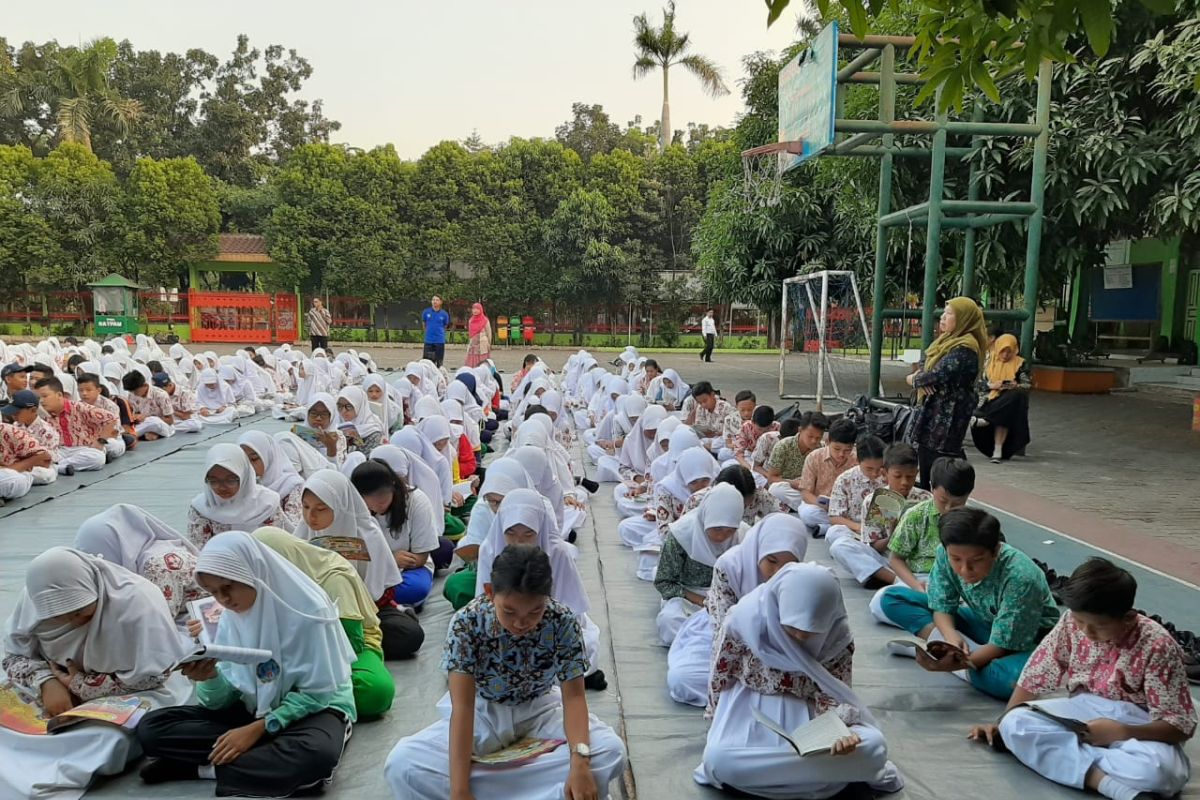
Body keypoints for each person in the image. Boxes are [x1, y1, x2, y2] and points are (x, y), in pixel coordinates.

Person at [384, 545, 628, 800]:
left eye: (535, 611)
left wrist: (579, 762)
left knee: (611, 751)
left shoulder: (562, 620)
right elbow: (464, 706)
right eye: (509, 611)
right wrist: (459, 790)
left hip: (540, 709)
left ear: (547, 597)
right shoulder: (467, 622)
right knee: (403, 764)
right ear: (490, 592)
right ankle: (540, 791)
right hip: (484, 712)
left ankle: (501, 788)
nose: (521, 623)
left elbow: (574, 698)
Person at [136, 532, 357, 796]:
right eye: (214, 592)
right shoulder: (232, 616)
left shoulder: (309, 612)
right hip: (254, 707)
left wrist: (259, 728)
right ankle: (257, 764)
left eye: (228, 587)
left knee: (315, 755)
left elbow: (318, 694)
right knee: (152, 728)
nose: (223, 600)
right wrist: (210, 677)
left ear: (253, 573)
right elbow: (224, 699)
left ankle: (203, 769)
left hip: (313, 710)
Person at [970, 558, 1194, 800]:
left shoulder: (1157, 644)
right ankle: (1106, 784)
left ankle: (1064, 755)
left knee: (1162, 773)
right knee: (1015, 723)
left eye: (1099, 625)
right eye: (1080, 621)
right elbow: (1035, 675)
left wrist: (1120, 731)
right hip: (1084, 707)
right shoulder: (1069, 622)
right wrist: (1002, 723)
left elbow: (1178, 727)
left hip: (1138, 719)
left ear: (1128, 617)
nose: (1086, 632)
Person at [695, 562, 904, 799]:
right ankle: (818, 774)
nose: (802, 637)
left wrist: (838, 733)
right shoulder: (745, 621)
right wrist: (715, 718)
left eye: (814, 628)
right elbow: (720, 675)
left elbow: (834, 690)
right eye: (792, 627)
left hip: (810, 714)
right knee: (720, 759)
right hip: (750, 708)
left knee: (874, 747)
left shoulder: (837, 636)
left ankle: (778, 775)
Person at [0, 548, 193, 798]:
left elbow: (153, 675)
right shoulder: (34, 599)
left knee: (104, 741)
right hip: (51, 682)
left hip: (130, 689)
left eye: (79, 610)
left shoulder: (136, 600)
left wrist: (81, 685)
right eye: (58, 616)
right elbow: (14, 654)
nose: (72, 621)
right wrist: (47, 683)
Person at [880, 507, 1060, 699]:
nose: (965, 569)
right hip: (984, 622)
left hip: (1027, 641)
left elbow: (1005, 644)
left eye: (977, 560)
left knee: (1014, 682)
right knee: (892, 598)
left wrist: (961, 663)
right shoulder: (944, 553)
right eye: (956, 559)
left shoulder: (1021, 577)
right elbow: (941, 607)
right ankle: (953, 654)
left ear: (996, 551)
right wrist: (950, 637)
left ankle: (947, 659)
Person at [252, 527, 396, 719]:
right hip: (290, 656)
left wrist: (306, 667)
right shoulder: (263, 582)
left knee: (375, 692)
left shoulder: (332, 577)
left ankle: (301, 702)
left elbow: (352, 643)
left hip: (347, 652)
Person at [667, 514, 808, 707]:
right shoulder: (729, 567)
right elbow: (723, 630)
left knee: (806, 681)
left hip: (778, 649)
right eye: (772, 561)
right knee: (682, 678)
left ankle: (755, 692)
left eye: (788, 564)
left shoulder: (804, 578)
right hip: (727, 642)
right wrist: (753, 666)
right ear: (759, 551)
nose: (777, 572)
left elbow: (805, 634)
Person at [294, 469, 424, 660]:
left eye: (321, 509)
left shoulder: (367, 534)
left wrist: (352, 609)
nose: (310, 516)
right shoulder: (302, 535)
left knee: (409, 635)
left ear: (339, 505)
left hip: (366, 612)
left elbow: (382, 590)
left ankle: (342, 645)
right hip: (318, 613)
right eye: (305, 507)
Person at [871, 456, 975, 623]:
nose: (948, 509)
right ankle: (946, 621)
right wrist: (917, 588)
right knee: (880, 601)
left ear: (968, 495)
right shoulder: (916, 515)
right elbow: (896, 558)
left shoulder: (974, 521)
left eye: (957, 504)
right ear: (932, 488)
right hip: (921, 579)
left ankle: (936, 622)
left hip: (961, 582)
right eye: (943, 501)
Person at [905, 296, 988, 488]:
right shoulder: (947, 342)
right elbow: (926, 369)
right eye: (944, 312)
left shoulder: (964, 349)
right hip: (933, 416)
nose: (943, 317)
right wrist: (921, 378)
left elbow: (932, 377)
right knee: (927, 463)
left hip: (946, 420)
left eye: (949, 313)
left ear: (964, 319)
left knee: (941, 469)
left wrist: (913, 379)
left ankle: (947, 507)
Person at [74, 504, 206, 621]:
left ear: (117, 545)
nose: (97, 565)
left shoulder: (159, 567)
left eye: (101, 555)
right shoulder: (139, 553)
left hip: (205, 619)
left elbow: (156, 623)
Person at [828, 440, 931, 589]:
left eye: (910, 477)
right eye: (897, 476)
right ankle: (898, 581)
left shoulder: (925, 499)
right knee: (840, 546)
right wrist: (894, 531)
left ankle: (892, 579)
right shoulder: (873, 501)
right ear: (885, 473)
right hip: (886, 560)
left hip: (919, 561)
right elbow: (875, 547)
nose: (904, 482)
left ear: (916, 473)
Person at [655, 483, 744, 646]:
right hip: (688, 600)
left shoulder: (745, 536)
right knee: (669, 620)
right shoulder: (681, 534)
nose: (722, 537)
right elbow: (664, 582)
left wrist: (725, 604)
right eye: (717, 529)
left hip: (729, 602)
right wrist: (703, 601)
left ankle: (704, 645)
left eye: (730, 530)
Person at [351, 460, 442, 609]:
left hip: (407, 571)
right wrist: (389, 561)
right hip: (368, 573)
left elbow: (420, 557)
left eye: (383, 501)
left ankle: (368, 603)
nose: (377, 507)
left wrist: (392, 565)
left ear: (393, 487)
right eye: (370, 503)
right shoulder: (352, 507)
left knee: (416, 588)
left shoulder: (416, 501)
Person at [187, 444, 284, 548]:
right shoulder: (201, 508)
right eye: (214, 481)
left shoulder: (267, 504)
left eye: (230, 480)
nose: (222, 487)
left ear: (244, 476)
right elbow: (198, 550)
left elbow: (275, 548)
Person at [794, 417, 860, 537]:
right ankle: (847, 527)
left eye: (847, 450)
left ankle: (829, 527)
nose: (841, 454)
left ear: (853, 446)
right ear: (827, 442)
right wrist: (821, 504)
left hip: (846, 510)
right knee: (807, 513)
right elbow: (805, 493)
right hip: (821, 508)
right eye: (837, 449)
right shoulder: (814, 457)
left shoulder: (857, 460)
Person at [971, 332, 1032, 463]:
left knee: (1014, 398)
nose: (1005, 355)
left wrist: (1014, 385)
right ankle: (996, 450)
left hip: (1006, 403)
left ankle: (987, 424)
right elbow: (976, 384)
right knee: (1005, 410)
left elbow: (1027, 385)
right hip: (988, 402)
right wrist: (992, 385)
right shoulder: (988, 362)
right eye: (1002, 351)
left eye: (1009, 352)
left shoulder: (1019, 364)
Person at [35, 376, 116, 473]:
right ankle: (61, 467)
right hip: (60, 450)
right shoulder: (42, 414)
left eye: (45, 396)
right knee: (40, 457)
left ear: (59, 395)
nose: (41, 401)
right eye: (38, 398)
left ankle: (57, 467)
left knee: (98, 458)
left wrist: (100, 441)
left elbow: (111, 418)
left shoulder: (79, 407)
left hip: (83, 449)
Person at [238, 430, 305, 531]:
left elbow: (295, 527)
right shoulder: (234, 484)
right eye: (243, 460)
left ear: (268, 457)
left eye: (254, 459)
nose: (249, 466)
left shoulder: (291, 485)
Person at [766, 412, 827, 510]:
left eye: (818, 438)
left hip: (811, 491)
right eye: (810, 436)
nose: (814, 441)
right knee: (776, 489)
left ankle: (811, 508)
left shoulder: (822, 449)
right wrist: (793, 483)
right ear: (800, 430)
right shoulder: (783, 446)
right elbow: (771, 478)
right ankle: (812, 508)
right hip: (791, 489)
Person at [0, 421, 53, 502]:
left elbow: (44, 458)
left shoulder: (8, 431)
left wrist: (25, 464)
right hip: (10, 471)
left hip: (11, 475)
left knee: (15, 479)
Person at [122, 370, 176, 440]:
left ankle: (131, 435)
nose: (134, 394)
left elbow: (170, 421)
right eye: (131, 391)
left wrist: (146, 418)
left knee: (153, 421)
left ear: (144, 385)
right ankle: (141, 435)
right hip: (143, 425)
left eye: (135, 391)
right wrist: (135, 417)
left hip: (162, 425)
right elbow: (135, 414)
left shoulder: (160, 394)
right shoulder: (131, 395)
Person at [421, 295, 452, 367]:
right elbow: (424, 324)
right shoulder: (426, 312)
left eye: (437, 300)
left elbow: (445, 326)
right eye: (433, 300)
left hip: (439, 341)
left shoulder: (444, 314)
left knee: (439, 362)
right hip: (429, 341)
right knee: (426, 363)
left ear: (441, 302)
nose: (434, 301)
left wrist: (440, 333)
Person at [466, 302, 491, 367]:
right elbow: (470, 333)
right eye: (474, 309)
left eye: (477, 309)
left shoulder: (485, 320)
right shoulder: (471, 320)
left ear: (481, 310)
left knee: (483, 363)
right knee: (472, 361)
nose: (475, 310)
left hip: (482, 344)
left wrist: (489, 343)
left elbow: (489, 332)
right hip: (473, 344)